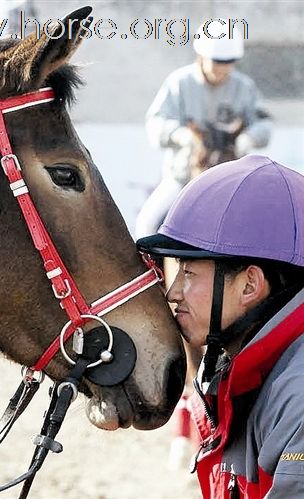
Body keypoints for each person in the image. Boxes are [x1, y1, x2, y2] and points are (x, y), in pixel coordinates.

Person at [137, 155, 304, 498]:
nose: (172, 293)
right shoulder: (235, 368)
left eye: (188, 272)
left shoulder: (298, 398)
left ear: (249, 286)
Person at [135, 20, 272, 239]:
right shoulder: (179, 83)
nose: (223, 69)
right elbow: (155, 122)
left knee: (263, 228)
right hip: (183, 178)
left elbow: (264, 123)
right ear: (200, 56)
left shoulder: (244, 87)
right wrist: (181, 135)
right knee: (147, 225)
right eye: (217, 62)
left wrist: (249, 137)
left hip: (232, 181)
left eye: (229, 62)